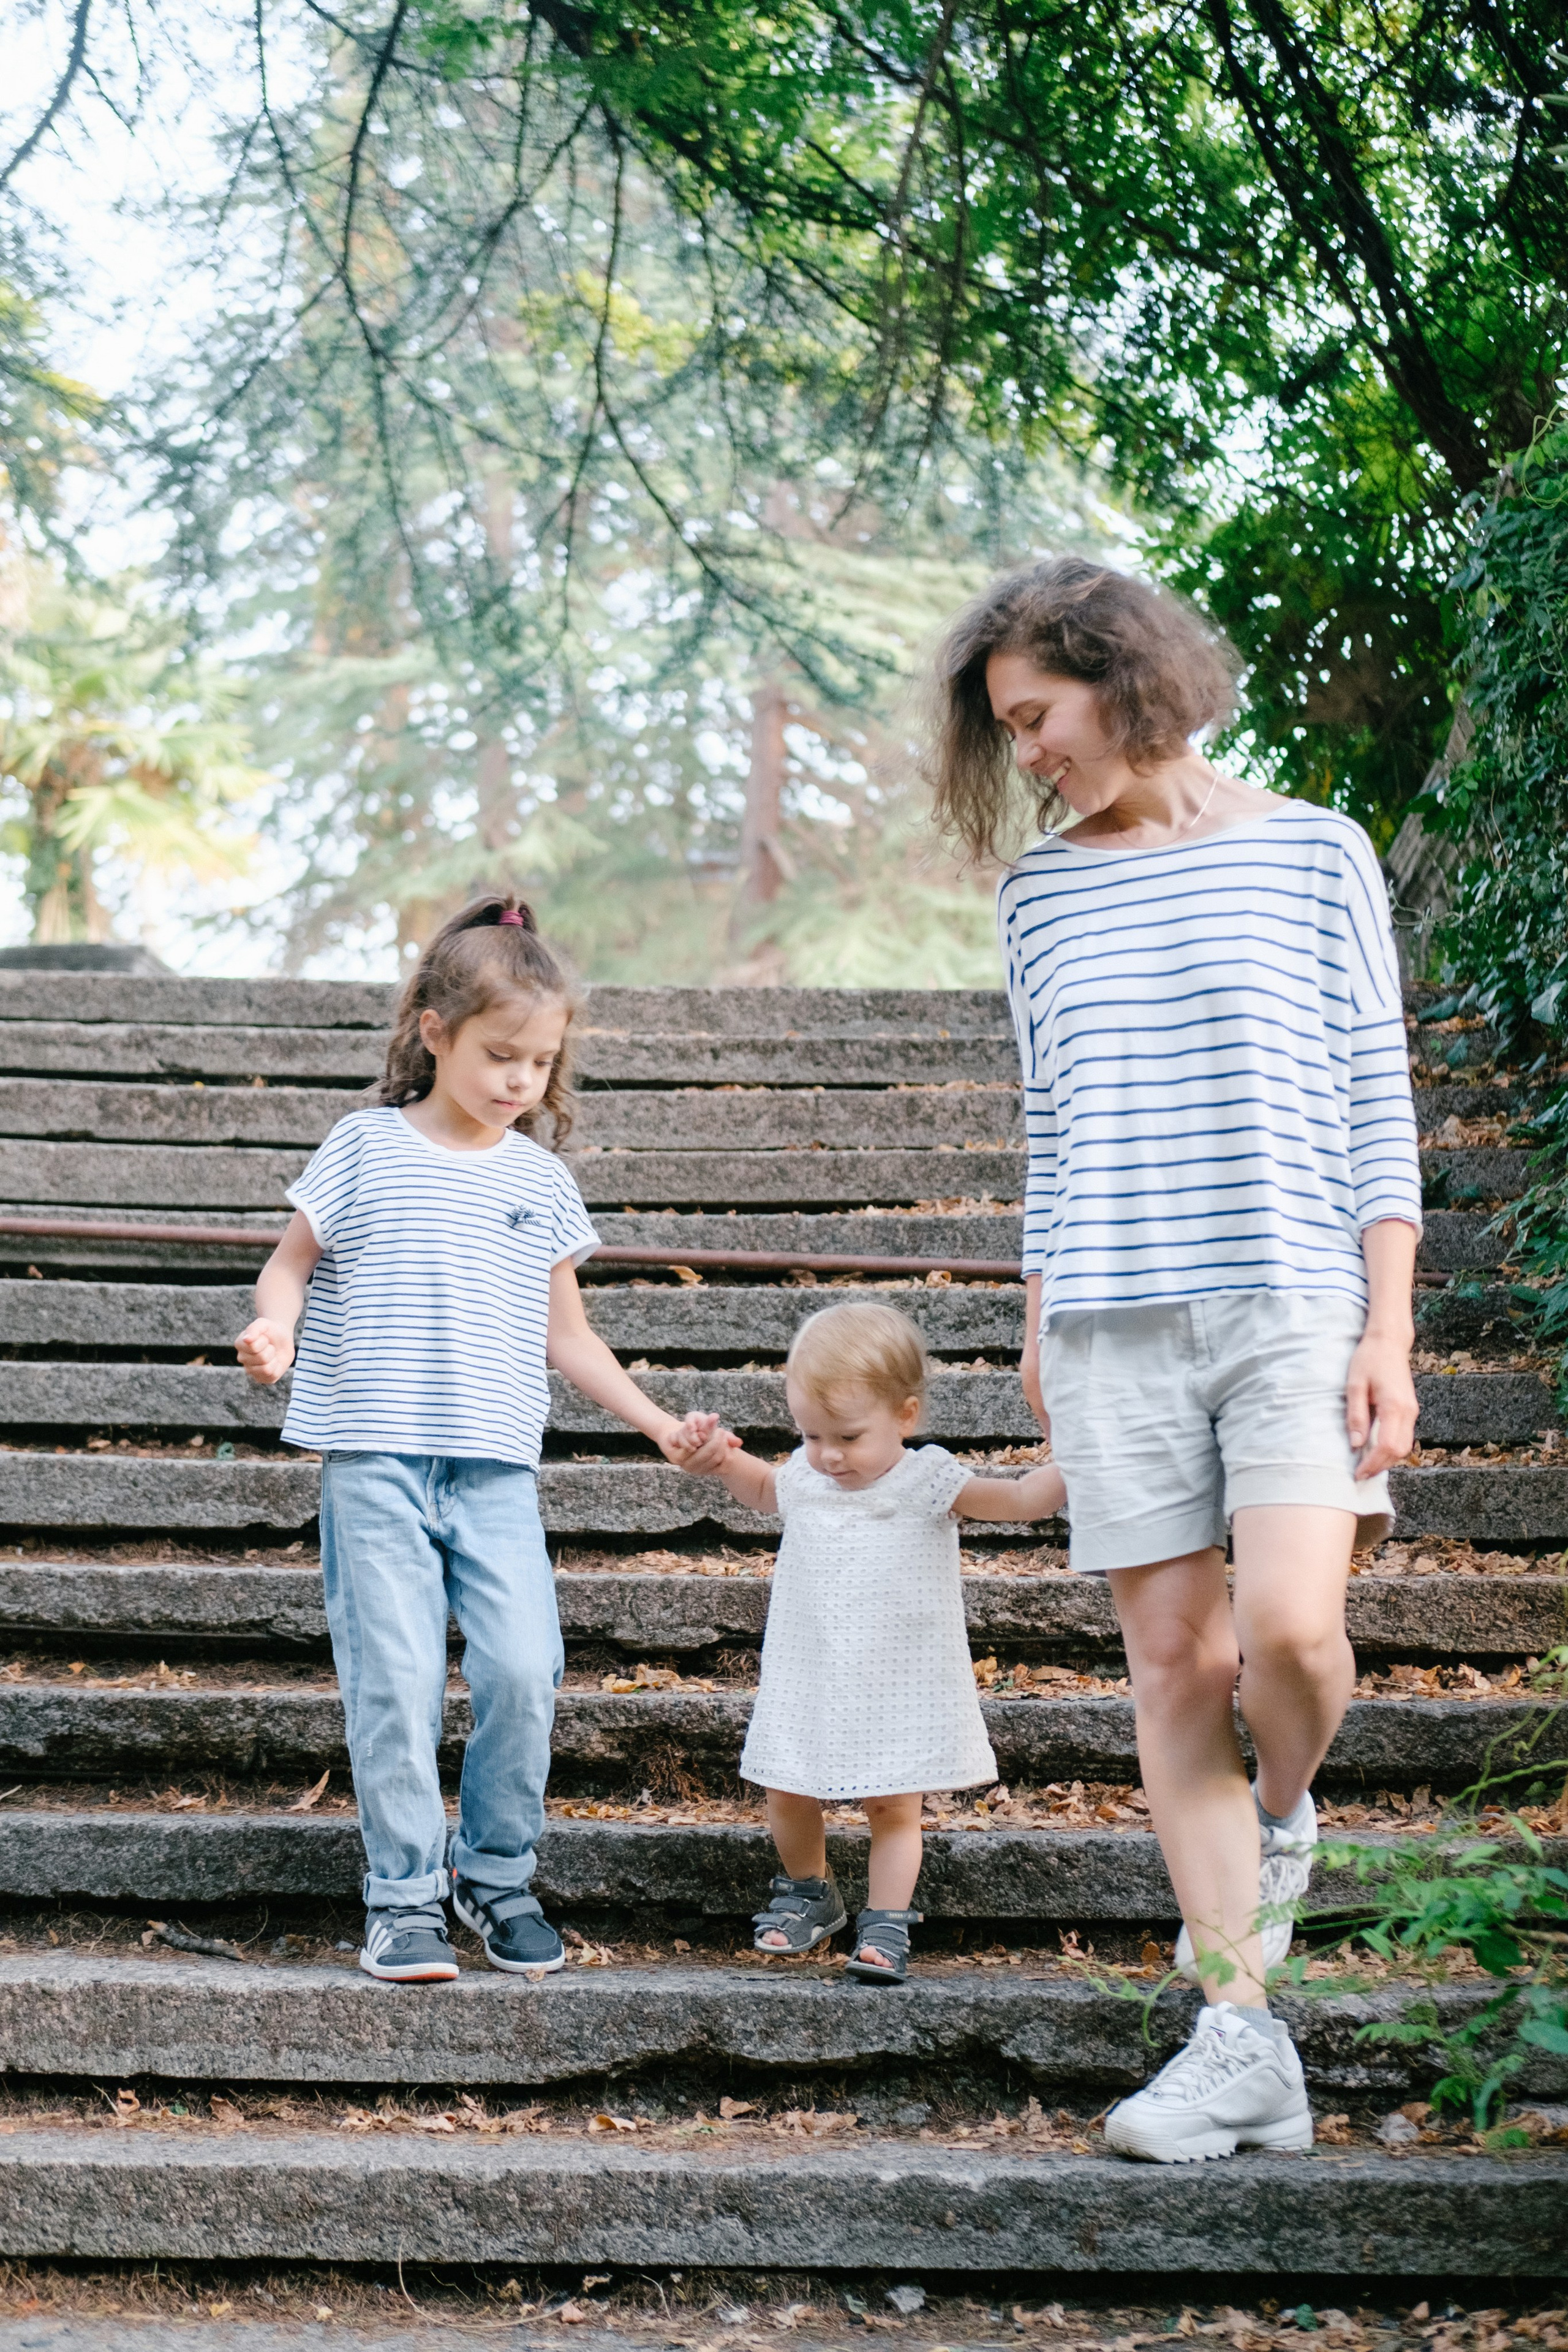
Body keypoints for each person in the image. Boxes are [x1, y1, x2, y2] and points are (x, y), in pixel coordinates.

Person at [928, 556, 1421, 2160]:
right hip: (1114, 1322)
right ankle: (1238, 2031)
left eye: (1038, 716)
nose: (1030, 755)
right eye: (1006, 732)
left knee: (1290, 1640)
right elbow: (1055, 1134)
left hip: (1291, 1304)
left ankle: (1280, 1815)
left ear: (1122, 675)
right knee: (1172, 1668)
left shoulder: (1315, 853)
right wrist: (1038, 1333)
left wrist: (1390, 1325)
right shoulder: (1042, 894)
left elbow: (1374, 1103)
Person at [236, 894, 728, 1985]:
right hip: (376, 1460)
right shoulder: (365, 1145)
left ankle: (494, 1874)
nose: (520, 1082)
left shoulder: (539, 1181)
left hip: (495, 1468)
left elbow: (571, 1335)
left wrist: (655, 1423)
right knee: (397, 1679)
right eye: (501, 1055)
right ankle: (405, 1896)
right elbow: (292, 1261)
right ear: (433, 1032)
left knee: (522, 1667)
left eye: (541, 1065)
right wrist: (276, 1326)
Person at [703, 1300, 1066, 1985]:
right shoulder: (807, 1476)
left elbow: (1017, 1499)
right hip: (811, 1666)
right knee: (785, 1785)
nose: (828, 1455)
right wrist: (722, 1458)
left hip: (896, 1674)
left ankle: (886, 1921)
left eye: (846, 1436)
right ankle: (810, 1891)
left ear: (904, 1416)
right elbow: (759, 1489)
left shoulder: (927, 1478)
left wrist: (1078, 1460)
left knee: (894, 1803)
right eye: (810, 1434)